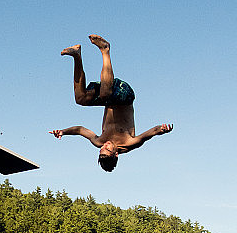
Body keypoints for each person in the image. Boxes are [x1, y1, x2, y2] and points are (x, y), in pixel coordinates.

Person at [50, 34, 172, 172]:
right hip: (124, 95)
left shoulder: (99, 141)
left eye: (102, 149)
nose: (105, 145)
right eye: (107, 149)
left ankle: (77, 55)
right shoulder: (129, 143)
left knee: (80, 99)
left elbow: (80, 130)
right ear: (116, 154)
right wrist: (162, 130)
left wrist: (63, 132)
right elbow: (151, 133)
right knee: (105, 94)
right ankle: (105, 50)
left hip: (107, 93)